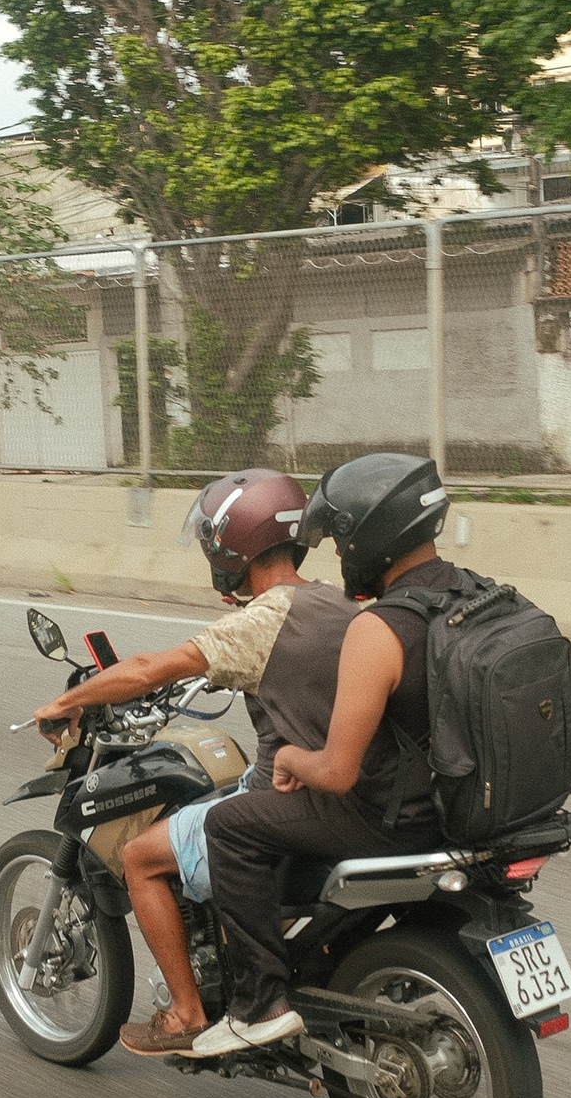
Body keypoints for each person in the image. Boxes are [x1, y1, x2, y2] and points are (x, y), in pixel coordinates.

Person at [29, 468, 355, 1056]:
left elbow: (147, 669)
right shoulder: (338, 601)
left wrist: (66, 702)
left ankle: (185, 1013)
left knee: (141, 858)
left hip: (287, 798)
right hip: (346, 791)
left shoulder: (261, 620)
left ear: (232, 546)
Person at [189, 453, 456, 1057]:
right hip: (461, 808)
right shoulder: (474, 602)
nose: (337, 555)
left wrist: (290, 760)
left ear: (370, 539)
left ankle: (258, 1005)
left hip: (390, 815)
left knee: (227, 824)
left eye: (340, 540)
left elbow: (336, 771)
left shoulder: (381, 625)